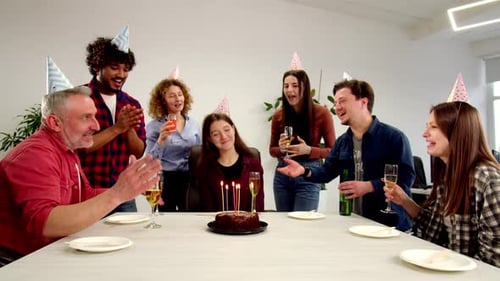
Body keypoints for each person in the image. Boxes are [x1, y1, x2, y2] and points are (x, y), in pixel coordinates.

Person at [0, 87, 161, 265]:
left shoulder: (67, 150)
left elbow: (82, 195)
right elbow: (45, 223)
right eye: (86, 117)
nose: (97, 125)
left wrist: (131, 188)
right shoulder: (35, 154)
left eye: (95, 116)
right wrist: (117, 194)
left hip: (47, 254)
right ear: (55, 123)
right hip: (17, 262)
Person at [277, 79, 414, 231]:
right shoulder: (343, 141)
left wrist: (370, 186)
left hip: (390, 225)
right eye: (335, 103)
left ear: (363, 102)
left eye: (342, 101)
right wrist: (304, 170)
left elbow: (405, 179)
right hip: (355, 223)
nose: (337, 107)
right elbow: (326, 172)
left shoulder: (394, 138)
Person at [384, 101, 500, 266]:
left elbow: (494, 261)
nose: (425, 134)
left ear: (457, 132)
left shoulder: (487, 180)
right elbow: (434, 230)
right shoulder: (448, 176)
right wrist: (405, 202)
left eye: (433, 127)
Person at [78, 29, 146, 213]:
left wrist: (128, 129)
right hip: (86, 194)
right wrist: (117, 128)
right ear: (96, 66)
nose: (121, 74)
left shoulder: (131, 103)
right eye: (114, 67)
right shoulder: (79, 98)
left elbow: (138, 152)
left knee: (129, 240)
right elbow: (78, 147)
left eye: (125, 69)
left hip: (123, 193)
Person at [269, 69, 336, 211]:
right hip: (283, 173)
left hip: (308, 173)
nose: (289, 90)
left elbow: (333, 151)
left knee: (303, 226)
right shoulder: (279, 115)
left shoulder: (322, 113)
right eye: (286, 86)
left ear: (304, 87)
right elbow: (272, 150)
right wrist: (280, 149)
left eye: (295, 85)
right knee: (284, 225)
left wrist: (309, 150)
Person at [145, 77, 201, 211]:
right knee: (166, 221)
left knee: (189, 220)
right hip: (166, 180)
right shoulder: (154, 126)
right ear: (163, 101)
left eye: (180, 94)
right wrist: (161, 140)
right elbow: (150, 161)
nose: (178, 99)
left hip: (189, 179)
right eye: (172, 96)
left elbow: (200, 153)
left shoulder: (193, 124)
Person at [193, 113, 264, 212]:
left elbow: (258, 205)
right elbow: (207, 210)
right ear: (209, 139)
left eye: (226, 130)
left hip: (247, 225)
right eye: (216, 134)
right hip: (218, 225)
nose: (224, 136)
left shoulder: (253, 165)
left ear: (233, 129)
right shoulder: (205, 168)